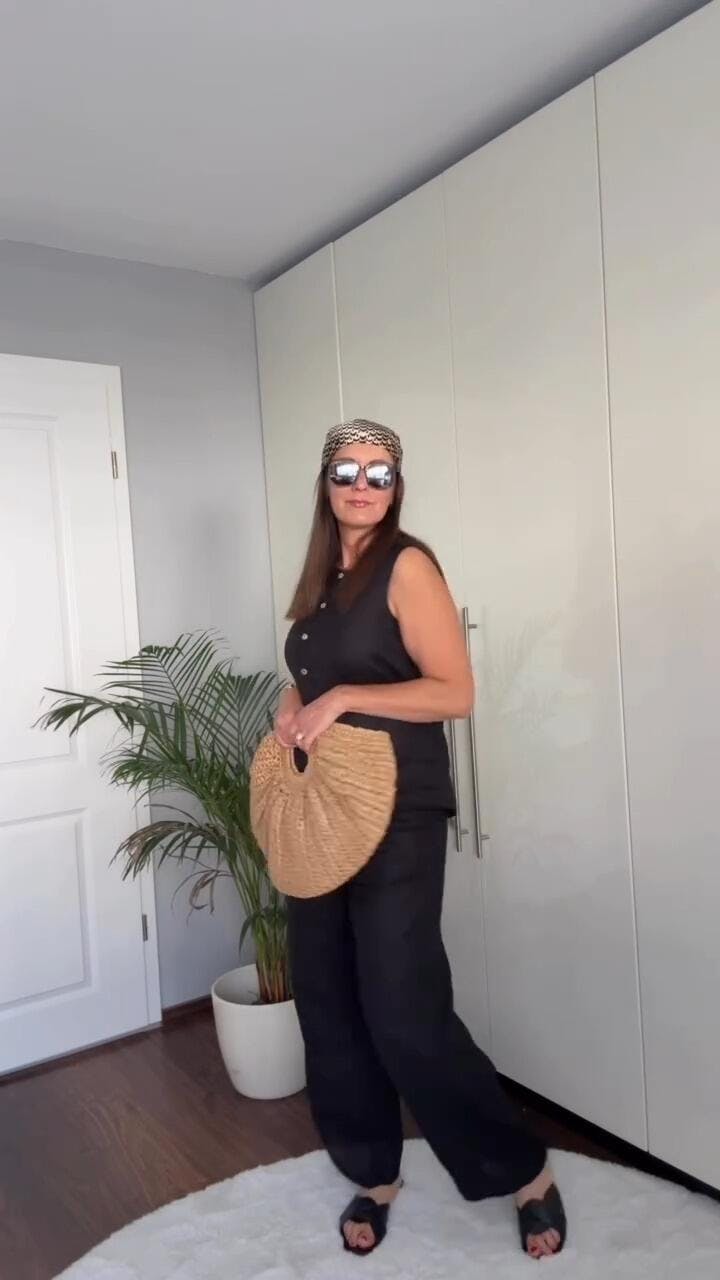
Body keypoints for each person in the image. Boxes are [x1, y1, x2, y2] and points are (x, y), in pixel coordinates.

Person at [274, 419, 567, 1260]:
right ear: (326, 483)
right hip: (322, 808)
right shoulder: (319, 579)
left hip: (398, 808)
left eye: (380, 472)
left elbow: (454, 692)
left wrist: (341, 702)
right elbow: (305, 680)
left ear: (397, 487)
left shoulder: (407, 566)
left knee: (403, 1005)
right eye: (346, 470)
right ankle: (374, 1171)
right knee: (328, 999)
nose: (363, 485)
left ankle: (521, 1171)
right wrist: (294, 710)